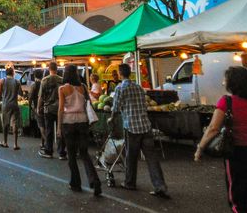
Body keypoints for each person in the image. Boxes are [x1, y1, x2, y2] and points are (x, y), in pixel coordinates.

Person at [195, 66, 247, 213]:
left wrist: (200, 148)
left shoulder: (226, 102)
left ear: (233, 84)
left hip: (239, 156)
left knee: (240, 200)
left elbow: (213, 128)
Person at [110, 63, 169, 199]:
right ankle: (160, 186)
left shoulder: (120, 88)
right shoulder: (138, 87)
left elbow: (116, 107)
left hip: (131, 126)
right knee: (152, 158)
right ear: (130, 73)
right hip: (145, 126)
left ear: (120, 73)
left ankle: (130, 182)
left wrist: (111, 119)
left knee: (131, 156)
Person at [58, 64, 102, 196]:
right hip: (83, 122)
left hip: (69, 122)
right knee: (84, 153)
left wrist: (59, 127)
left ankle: (75, 183)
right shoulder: (83, 87)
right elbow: (88, 104)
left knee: (71, 154)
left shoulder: (62, 89)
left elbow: (61, 109)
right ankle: (95, 181)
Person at [37, 61, 66, 159]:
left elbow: (41, 96)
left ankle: (49, 151)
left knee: (49, 130)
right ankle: (62, 152)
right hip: (60, 107)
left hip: (48, 108)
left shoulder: (44, 80)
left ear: (49, 69)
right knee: (60, 129)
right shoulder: (62, 80)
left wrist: (38, 107)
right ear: (57, 69)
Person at [0, 66, 21, 150]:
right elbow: (20, 93)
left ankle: (5, 142)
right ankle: (15, 144)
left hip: (6, 104)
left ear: (6, 73)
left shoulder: (2, 81)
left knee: (5, 124)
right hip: (15, 104)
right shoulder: (17, 82)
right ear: (13, 73)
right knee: (15, 124)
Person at [28, 69, 45, 149]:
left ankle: (45, 142)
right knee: (45, 125)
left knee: (41, 125)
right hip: (45, 106)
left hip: (37, 106)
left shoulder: (34, 85)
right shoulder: (44, 83)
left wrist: (30, 105)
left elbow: (30, 97)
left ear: (34, 76)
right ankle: (42, 142)